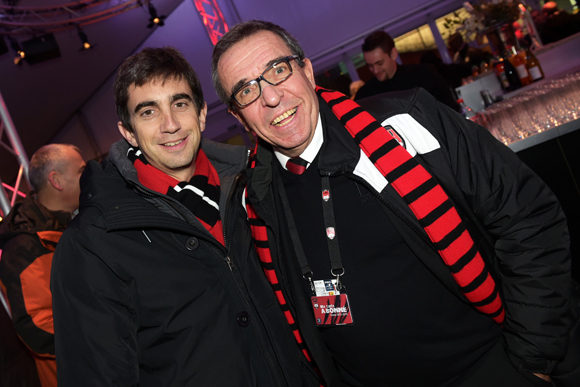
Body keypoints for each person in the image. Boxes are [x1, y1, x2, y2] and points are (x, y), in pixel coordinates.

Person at [212, 20, 579, 386]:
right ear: (236, 114)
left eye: (278, 70)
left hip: (493, 366)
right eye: (246, 90)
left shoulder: (407, 121)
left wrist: (532, 358)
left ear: (306, 70)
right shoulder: (253, 204)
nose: (271, 97)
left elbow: (528, 218)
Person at [50, 47, 321, 386]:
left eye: (180, 104)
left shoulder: (251, 188)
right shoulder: (94, 243)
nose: (170, 125)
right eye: (148, 112)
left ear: (202, 113)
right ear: (129, 133)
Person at [0, 143, 86, 387]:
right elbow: (38, 328)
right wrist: (111, 334)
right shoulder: (24, 247)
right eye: (81, 171)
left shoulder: (72, 224)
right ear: (56, 181)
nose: (89, 176)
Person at [355, 30, 460, 111]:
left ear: (393, 54)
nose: (375, 70)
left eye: (379, 63)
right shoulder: (365, 96)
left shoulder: (424, 74)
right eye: (370, 66)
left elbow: (450, 108)